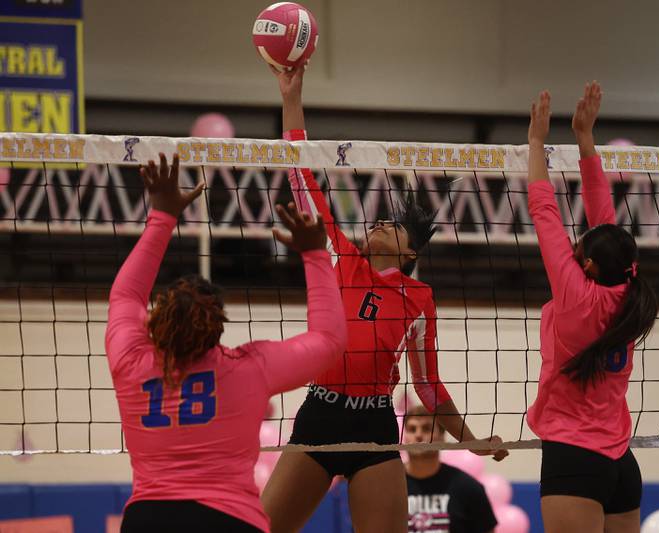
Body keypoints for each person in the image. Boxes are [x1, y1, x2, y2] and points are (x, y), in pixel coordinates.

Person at [261, 64, 508, 533]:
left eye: (392, 226)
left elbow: (428, 386)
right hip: (320, 415)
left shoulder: (418, 298)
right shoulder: (341, 254)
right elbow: (299, 174)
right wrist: (291, 97)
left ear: (410, 252)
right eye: (377, 222)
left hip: (373, 425)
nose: (377, 224)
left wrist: (470, 440)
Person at [106, 153, 346, 532]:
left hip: (148, 519)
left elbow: (125, 296)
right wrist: (316, 254)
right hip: (229, 519)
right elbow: (329, 340)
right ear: (217, 325)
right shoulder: (248, 368)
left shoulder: (130, 361)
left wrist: (162, 216)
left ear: (156, 321)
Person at [526, 82, 658, 533]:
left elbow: (544, 211)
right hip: (621, 462)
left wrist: (536, 142)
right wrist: (585, 139)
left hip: (574, 461)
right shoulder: (629, 287)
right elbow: (604, 222)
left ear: (587, 265)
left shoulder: (575, 296)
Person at [404, 405, 498, 533]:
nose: (418, 435)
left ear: (442, 437)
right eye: (412, 429)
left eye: (426, 429)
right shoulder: (388, 484)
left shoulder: (468, 488)